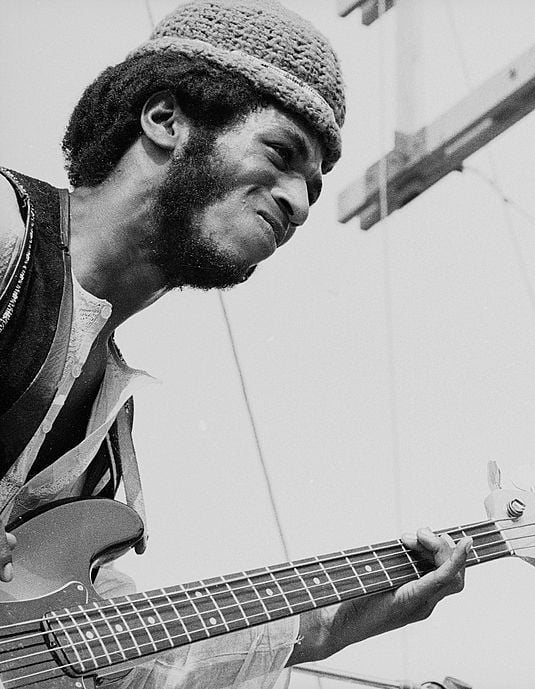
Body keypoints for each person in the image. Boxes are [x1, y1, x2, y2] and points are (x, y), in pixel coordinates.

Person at [0, 1, 470, 687]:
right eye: (281, 154)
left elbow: (116, 663)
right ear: (167, 120)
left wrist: (331, 626)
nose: (300, 204)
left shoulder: (102, 448)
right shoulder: (8, 235)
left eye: (313, 188)